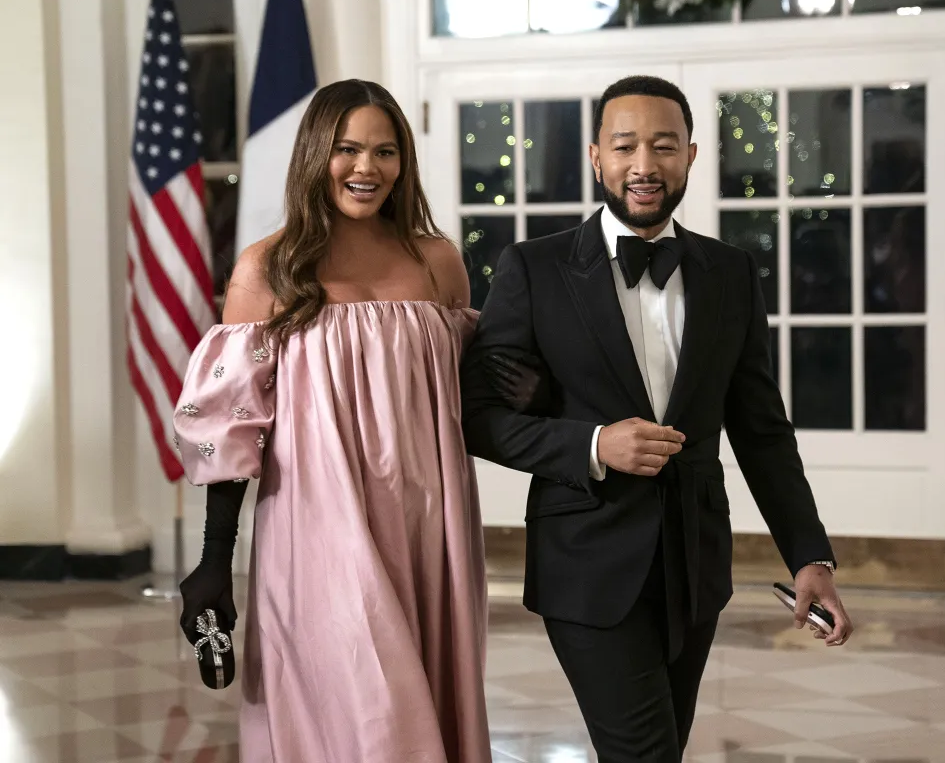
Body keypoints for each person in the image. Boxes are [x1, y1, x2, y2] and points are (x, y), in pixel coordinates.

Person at [462, 75, 855, 763]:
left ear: (691, 156)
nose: (644, 165)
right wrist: (590, 444)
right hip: (585, 564)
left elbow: (761, 430)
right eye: (625, 146)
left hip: (695, 567)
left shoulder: (730, 273)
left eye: (664, 146)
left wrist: (809, 555)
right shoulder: (534, 270)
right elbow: (479, 417)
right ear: (596, 157)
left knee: (659, 751)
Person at [173, 79, 512, 763]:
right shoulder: (267, 268)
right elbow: (234, 424)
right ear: (314, 155)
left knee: (424, 695)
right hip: (314, 528)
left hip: (430, 528)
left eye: (385, 151)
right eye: (347, 149)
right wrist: (214, 561)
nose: (367, 168)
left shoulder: (437, 262)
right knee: (366, 712)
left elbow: (468, 395)